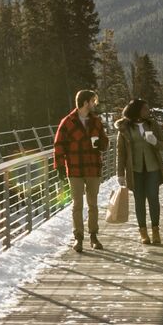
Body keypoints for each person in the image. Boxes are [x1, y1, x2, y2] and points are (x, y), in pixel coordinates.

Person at [53, 88, 106, 252]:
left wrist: (101, 144)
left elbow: (105, 141)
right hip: (75, 169)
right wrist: (60, 166)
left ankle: (94, 236)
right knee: (77, 204)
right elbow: (59, 145)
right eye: (92, 101)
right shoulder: (67, 122)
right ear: (85, 102)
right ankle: (79, 238)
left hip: (93, 168)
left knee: (93, 204)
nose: (94, 104)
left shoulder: (96, 121)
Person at [113, 99, 163, 246]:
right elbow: (121, 152)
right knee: (139, 201)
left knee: (153, 198)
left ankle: (155, 230)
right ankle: (143, 232)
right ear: (136, 110)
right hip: (135, 170)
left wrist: (155, 141)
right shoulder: (124, 128)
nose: (148, 111)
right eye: (145, 109)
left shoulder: (152, 124)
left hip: (152, 168)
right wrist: (120, 174)